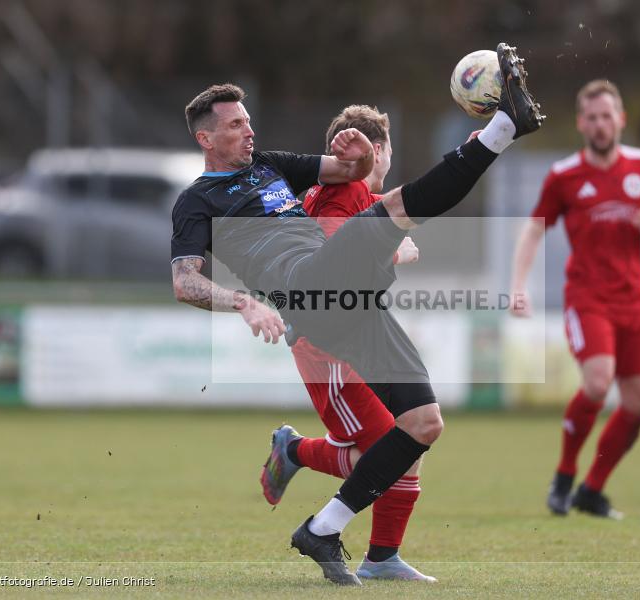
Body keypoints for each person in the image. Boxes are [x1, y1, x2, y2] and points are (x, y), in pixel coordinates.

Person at [171, 43, 544, 585]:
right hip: (305, 288)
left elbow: (353, 169)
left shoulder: (271, 164)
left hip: (348, 302)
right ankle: (504, 130)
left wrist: (358, 151)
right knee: (392, 210)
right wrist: (244, 302)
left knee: (422, 424)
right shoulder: (196, 201)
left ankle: (322, 529)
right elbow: (184, 281)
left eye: (249, 121)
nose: (249, 132)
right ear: (206, 138)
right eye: (234, 126)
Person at [259, 104, 435, 582]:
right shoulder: (347, 191)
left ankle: (383, 557)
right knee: (386, 448)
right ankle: (293, 451)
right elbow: (330, 262)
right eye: (390, 151)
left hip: (352, 336)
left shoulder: (345, 193)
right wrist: (397, 248)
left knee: (409, 438)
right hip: (329, 348)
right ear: (378, 151)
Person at [509, 79, 640, 520]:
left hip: (635, 301)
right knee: (599, 383)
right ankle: (564, 475)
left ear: (621, 120)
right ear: (582, 124)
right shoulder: (565, 175)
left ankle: (592, 490)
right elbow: (533, 229)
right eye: (593, 118)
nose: (601, 125)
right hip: (588, 298)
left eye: (608, 116)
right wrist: (518, 286)